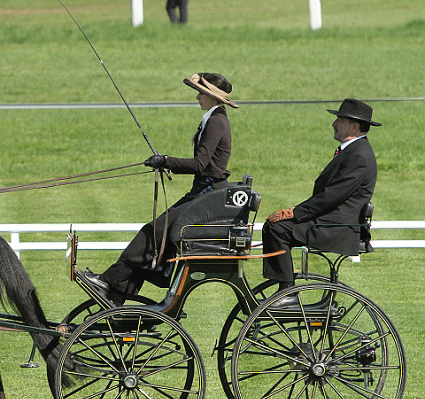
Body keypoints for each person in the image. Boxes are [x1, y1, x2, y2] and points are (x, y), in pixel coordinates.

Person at [78, 72, 238, 305]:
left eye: (201, 93)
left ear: (213, 97)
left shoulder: (216, 122)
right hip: (203, 192)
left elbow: (200, 164)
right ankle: (117, 290)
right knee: (154, 232)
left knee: (153, 231)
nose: (197, 97)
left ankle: (111, 283)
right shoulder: (214, 119)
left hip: (208, 194)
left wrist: (164, 160)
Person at [262, 98, 380, 307]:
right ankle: (284, 287)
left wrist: (295, 212)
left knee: (276, 228)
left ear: (354, 126)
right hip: (331, 220)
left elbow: (333, 195)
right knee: (275, 226)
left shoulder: (359, 155)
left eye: (339, 120)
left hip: (336, 227)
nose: (334, 124)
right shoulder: (353, 151)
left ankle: (287, 292)